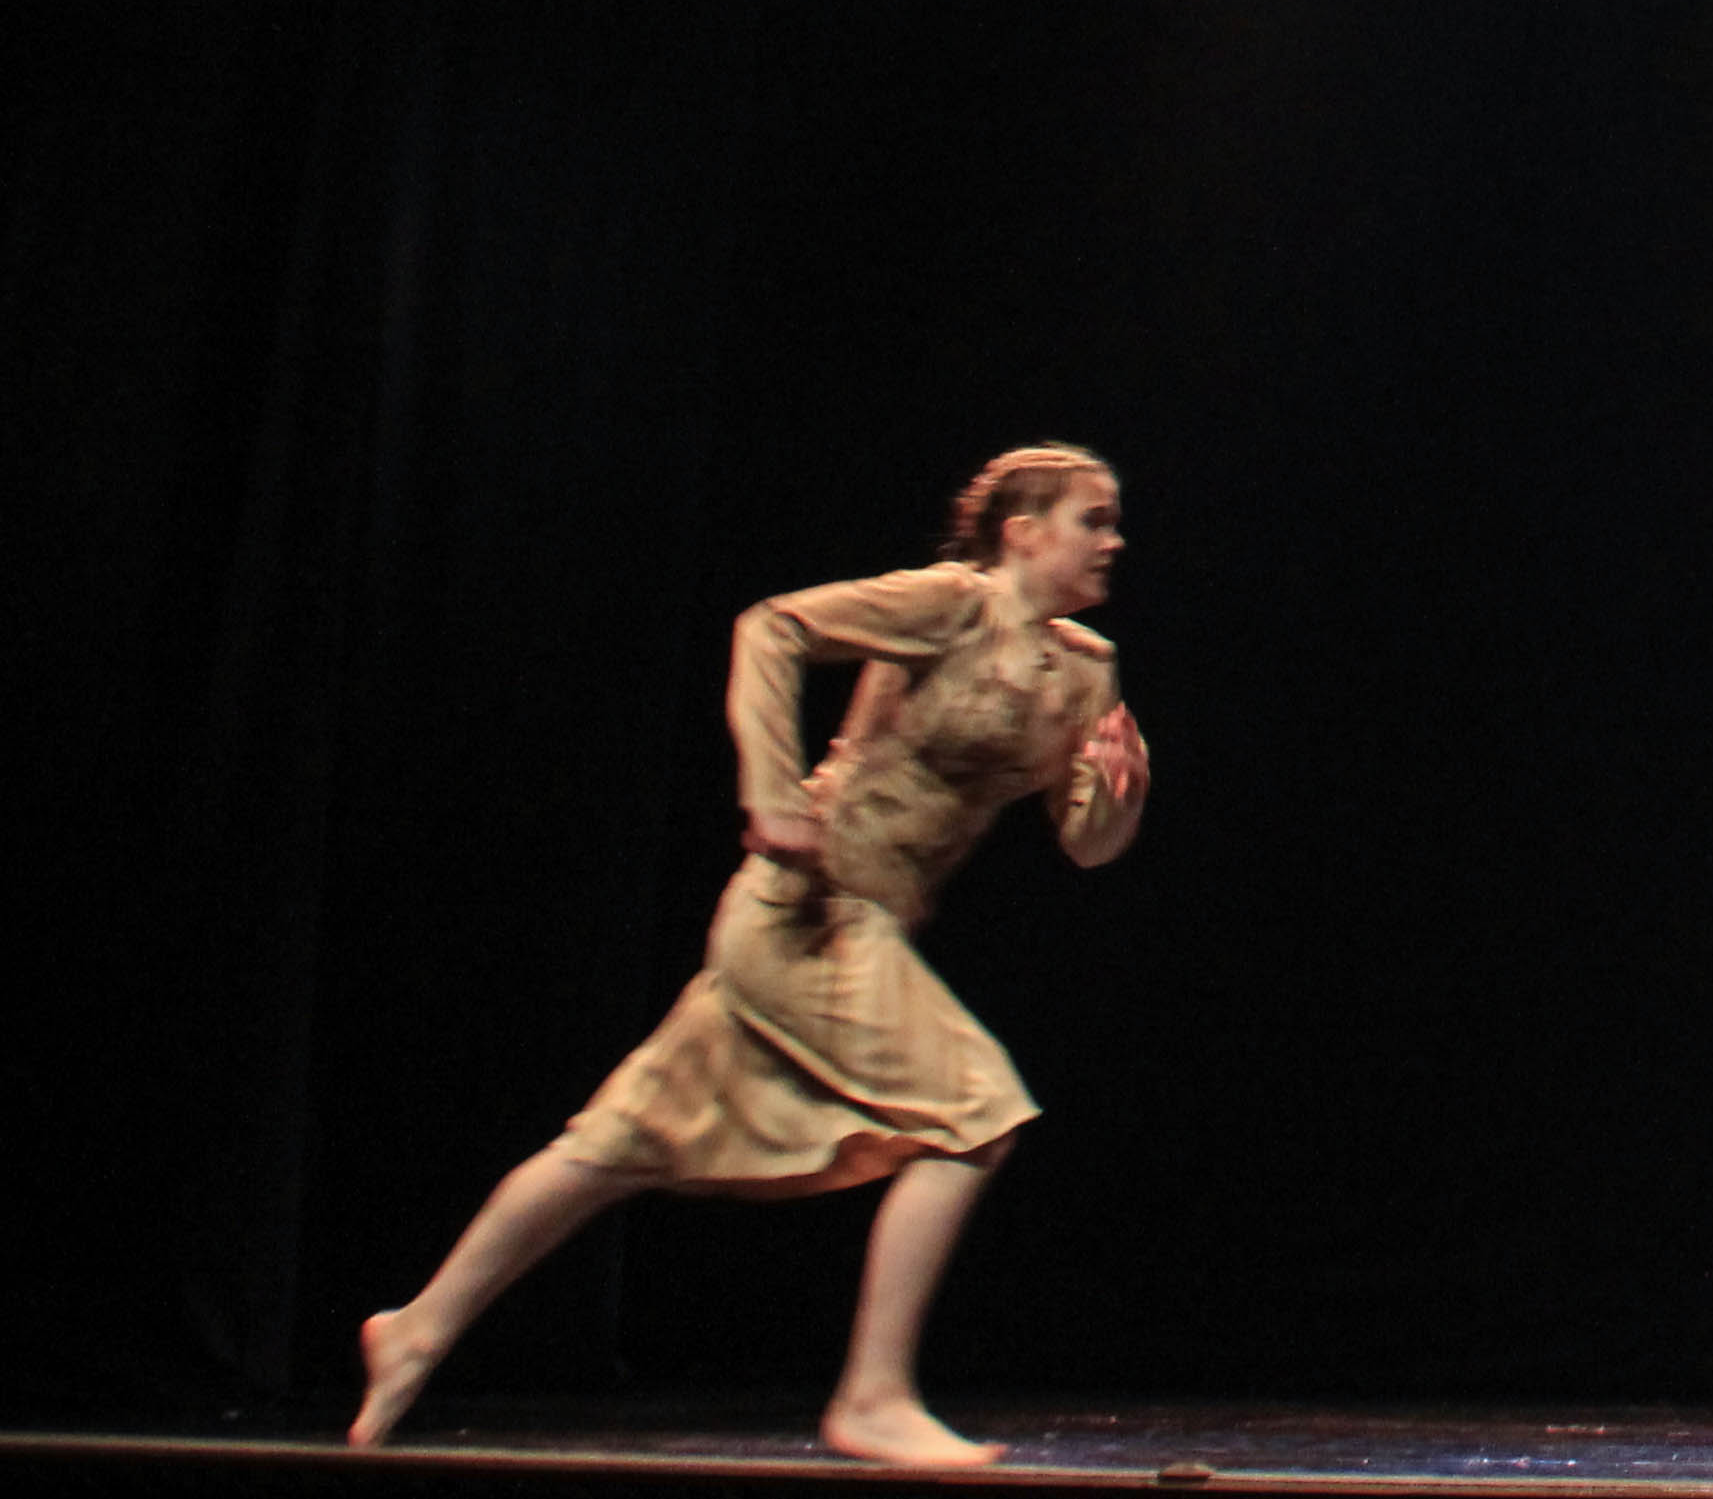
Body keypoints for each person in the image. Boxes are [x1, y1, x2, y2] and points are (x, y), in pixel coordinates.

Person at [350, 446, 1152, 1470]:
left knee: (619, 1140)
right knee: (976, 1111)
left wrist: (1119, 794)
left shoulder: (1084, 666)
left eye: (1113, 522)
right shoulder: (951, 604)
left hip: (864, 921)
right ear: (1023, 533)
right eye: (1092, 519)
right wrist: (772, 790)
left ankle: (416, 1326)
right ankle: (872, 1394)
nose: (1113, 541)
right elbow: (771, 627)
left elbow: (1085, 844)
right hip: (806, 909)